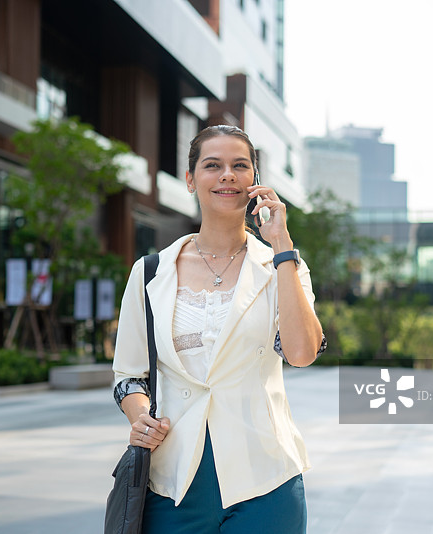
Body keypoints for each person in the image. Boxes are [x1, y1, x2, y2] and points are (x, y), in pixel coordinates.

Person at [111, 125, 326, 534]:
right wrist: (139, 416)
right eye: (213, 165)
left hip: (266, 477)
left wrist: (282, 247)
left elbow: (301, 353)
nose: (227, 175)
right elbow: (129, 375)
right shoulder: (150, 273)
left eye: (239, 166)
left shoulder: (283, 266)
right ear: (191, 179)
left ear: (255, 183)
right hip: (172, 481)